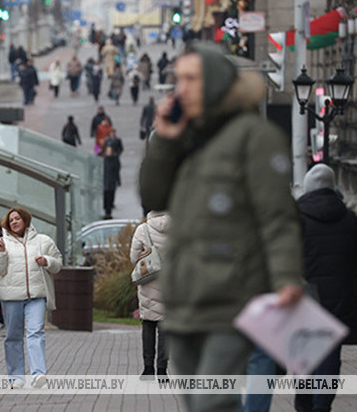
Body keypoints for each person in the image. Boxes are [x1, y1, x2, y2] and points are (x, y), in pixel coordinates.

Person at [139, 43, 304, 412]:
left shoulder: (254, 137)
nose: (181, 88)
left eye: (191, 79)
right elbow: (152, 196)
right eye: (178, 79)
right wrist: (164, 141)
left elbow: (277, 217)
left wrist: (287, 278)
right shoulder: (183, 137)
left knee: (213, 400)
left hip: (233, 296)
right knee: (199, 402)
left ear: (214, 82)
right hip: (183, 299)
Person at [294, 164, 357, 412]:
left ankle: (304, 403)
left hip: (306, 298)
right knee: (331, 356)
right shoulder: (350, 220)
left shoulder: (298, 218)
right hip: (339, 298)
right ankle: (322, 406)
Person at [0, 207, 62, 388]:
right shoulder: (2, 243)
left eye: (17, 219)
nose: (14, 222)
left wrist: (47, 261)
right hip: (11, 297)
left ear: (26, 220)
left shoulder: (43, 241)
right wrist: (0, 253)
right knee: (13, 336)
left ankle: (39, 374)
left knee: (36, 332)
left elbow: (58, 264)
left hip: (36, 296)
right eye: (11, 220)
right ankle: (16, 377)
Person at [130, 211, 170, 380]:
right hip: (170, 282)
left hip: (148, 281)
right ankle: (162, 370)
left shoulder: (143, 229)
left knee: (148, 325)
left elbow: (133, 258)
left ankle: (148, 370)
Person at [102, 146, 120, 219]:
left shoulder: (114, 159)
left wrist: (118, 180)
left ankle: (108, 211)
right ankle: (106, 209)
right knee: (106, 196)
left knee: (110, 195)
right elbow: (96, 151)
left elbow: (117, 170)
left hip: (111, 180)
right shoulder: (103, 159)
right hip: (105, 180)